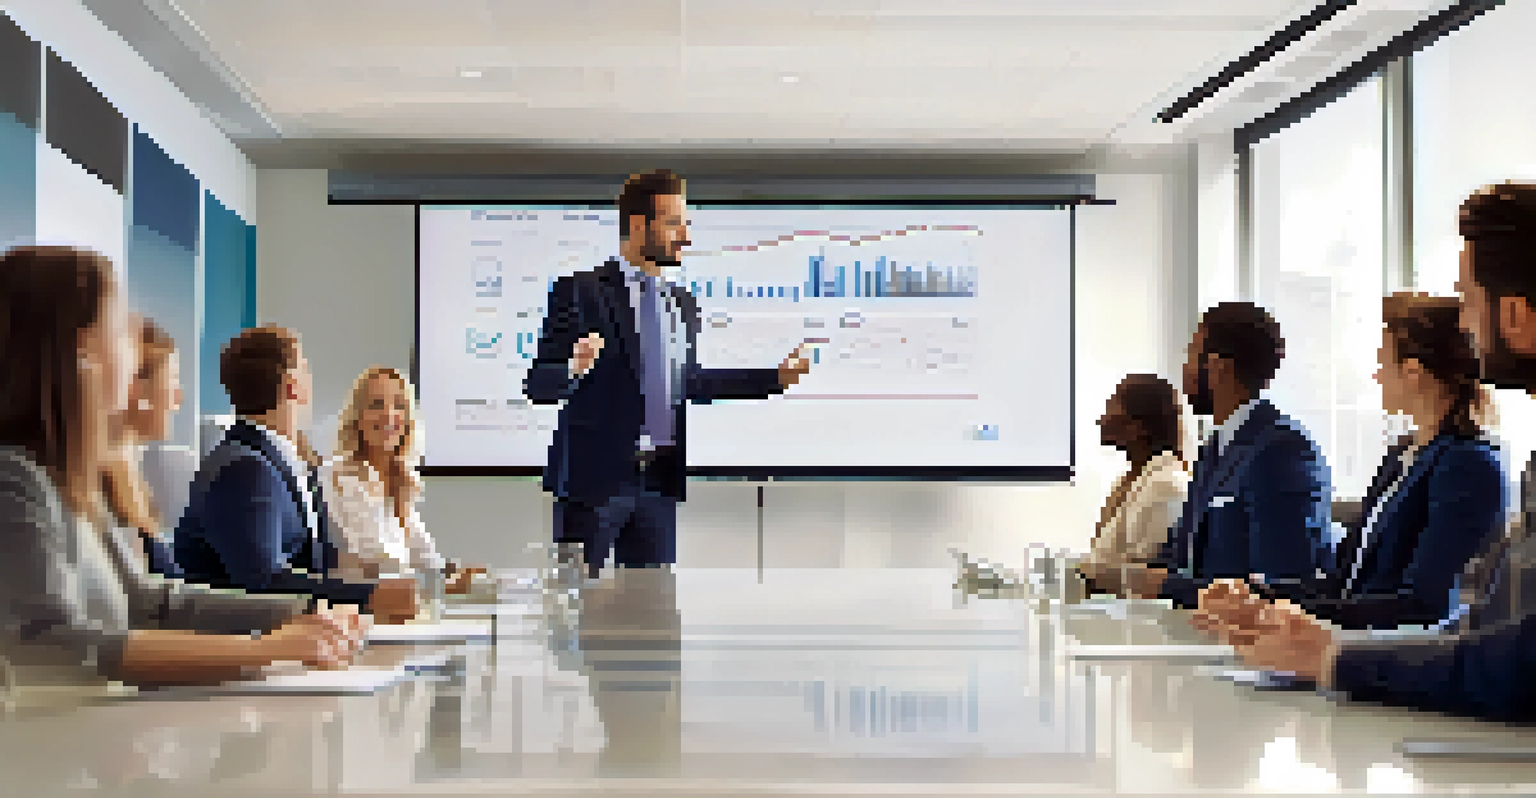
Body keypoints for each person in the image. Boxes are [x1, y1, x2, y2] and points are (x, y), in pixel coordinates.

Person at [1200, 182, 1536, 722]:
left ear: (1515, 316)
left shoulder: (1471, 463)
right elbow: (1356, 582)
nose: (1465, 325)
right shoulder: (1403, 455)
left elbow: (1444, 614)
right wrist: (1269, 602)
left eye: (1469, 302)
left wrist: (1334, 654)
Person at [0, 245, 364, 687]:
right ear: (80, 350)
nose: (133, 355)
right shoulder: (14, 478)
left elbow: (151, 603)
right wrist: (261, 650)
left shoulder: (74, 485)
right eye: (120, 332)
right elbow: (45, 644)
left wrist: (301, 613)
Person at [525, 169, 813, 578]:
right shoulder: (581, 292)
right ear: (640, 225)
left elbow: (690, 382)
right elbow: (539, 384)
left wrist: (774, 379)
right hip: (592, 487)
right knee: (574, 617)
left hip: (657, 484)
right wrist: (574, 367)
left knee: (654, 621)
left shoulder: (683, 305)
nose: (686, 237)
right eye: (674, 223)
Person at [1240, 294, 1506, 629]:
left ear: (1413, 372)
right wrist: (1262, 595)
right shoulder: (1401, 457)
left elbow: (1426, 606)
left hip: (1396, 663)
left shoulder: (1468, 464)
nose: (1377, 376)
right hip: (1350, 649)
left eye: (1382, 363)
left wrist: (1278, 615)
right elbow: (1344, 583)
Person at [174, 325, 419, 622]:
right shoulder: (245, 468)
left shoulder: (286, 462)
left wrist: (392, 582)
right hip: (248, 650)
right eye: (305, 368)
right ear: (292, 386)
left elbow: (320, 559)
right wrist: (370, 596)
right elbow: (264, 582)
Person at [1107, 302, 1332, 607]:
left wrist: (1168, 587)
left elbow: (1278, 584)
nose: (1184, 370)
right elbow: (1181, 550)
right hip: (1195, 628)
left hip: (1244, 643)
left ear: (1217, 367)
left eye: (1190, 356)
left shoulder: (1282, 449)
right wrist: (1137, 575)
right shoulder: (1214, 448)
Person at [320, 366, 485, 590]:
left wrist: (455, 571)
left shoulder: (399, 479)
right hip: (361, 607)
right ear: (357, 417)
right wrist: (443, 583)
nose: (389, 414)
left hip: (397, 605)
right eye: (376, 404)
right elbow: (377, 562)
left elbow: (424, 556)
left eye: (399, 406)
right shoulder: (340, 476)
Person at [1078, 374, 1190, 589]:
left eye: (1112, 406)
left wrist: (1079, 573)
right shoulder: (1131, 481)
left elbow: (1143, 574)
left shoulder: (1164, 484)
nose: (1100, 419)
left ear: (1139, 427)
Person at [99, 315, 185, 578]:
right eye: (171, 379)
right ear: (137, 388)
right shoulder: (98, 486)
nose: (178, 397)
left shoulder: (131, 476)